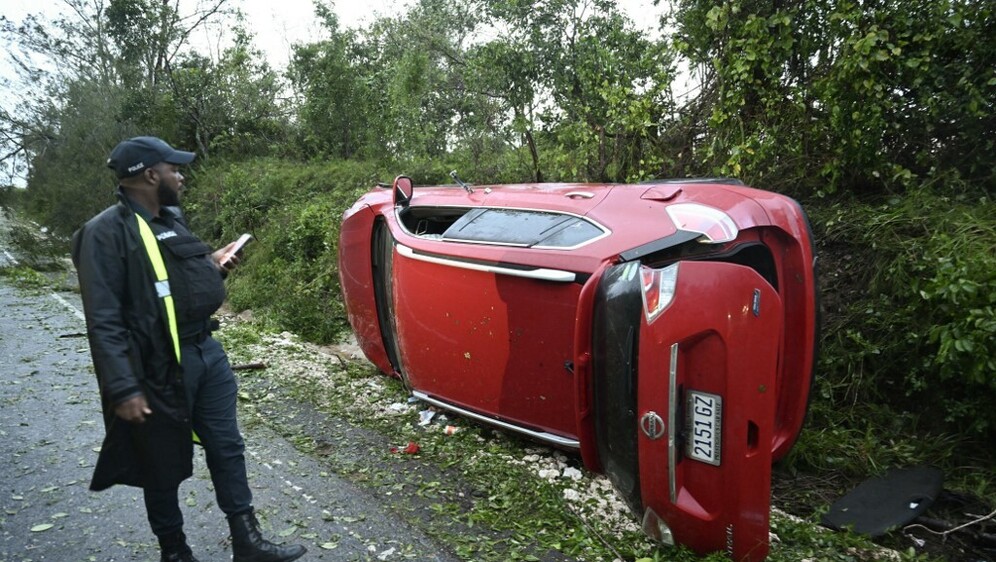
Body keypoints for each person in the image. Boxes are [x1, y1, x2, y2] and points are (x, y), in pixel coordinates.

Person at [71, 136, 306, 562]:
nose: (180, 177)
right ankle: (175, 553)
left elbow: (175, 280)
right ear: (150, 175)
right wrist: (124, 388)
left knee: (227, 447)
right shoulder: (104, 233)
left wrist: (213, 265)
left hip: (206, 352)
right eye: (174, 169)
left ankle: (247, 542)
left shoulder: (171, 219)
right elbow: (103, 318)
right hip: (156, 365)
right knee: (160, 462)